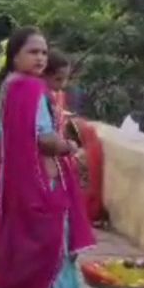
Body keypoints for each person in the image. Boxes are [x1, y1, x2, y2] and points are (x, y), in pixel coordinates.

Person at [0, 27, 95, 288]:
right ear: (15, 55)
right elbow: (43, 139)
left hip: (16, 185)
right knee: (50, 256)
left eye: (44, 52)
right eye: (33, 52)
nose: (40, 58)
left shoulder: (8, 86)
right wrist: (69, 147)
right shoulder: (31, 88)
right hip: (41, 188)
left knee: (19, 255)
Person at [42, 53, 106, 227]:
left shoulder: (48, 98)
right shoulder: (40, 100)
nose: (62, 85)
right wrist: (66, 146)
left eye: (65, 80)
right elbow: (43, 138)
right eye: (58, 79)